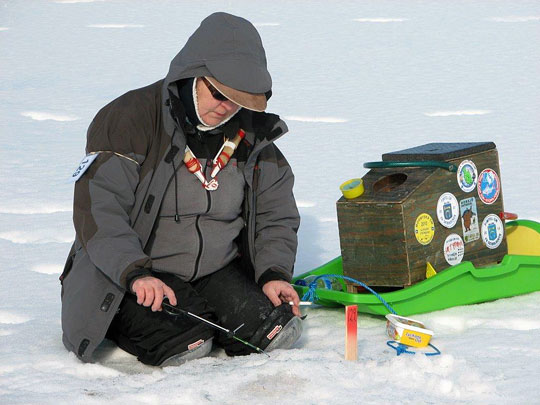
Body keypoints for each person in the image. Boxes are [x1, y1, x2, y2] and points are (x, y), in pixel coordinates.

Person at [60, 12, 302, 367]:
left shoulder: (252, 135)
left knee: (274, 332)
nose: (227, 107)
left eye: (239, 99)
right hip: (135, 273)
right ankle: (115, 315)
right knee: (187, 347)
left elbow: (275, 213)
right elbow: (100, 210)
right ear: (192, 74)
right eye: (219, 93)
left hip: (215, 270)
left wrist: (273, 273)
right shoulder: (129, 119)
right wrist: (135, 273)